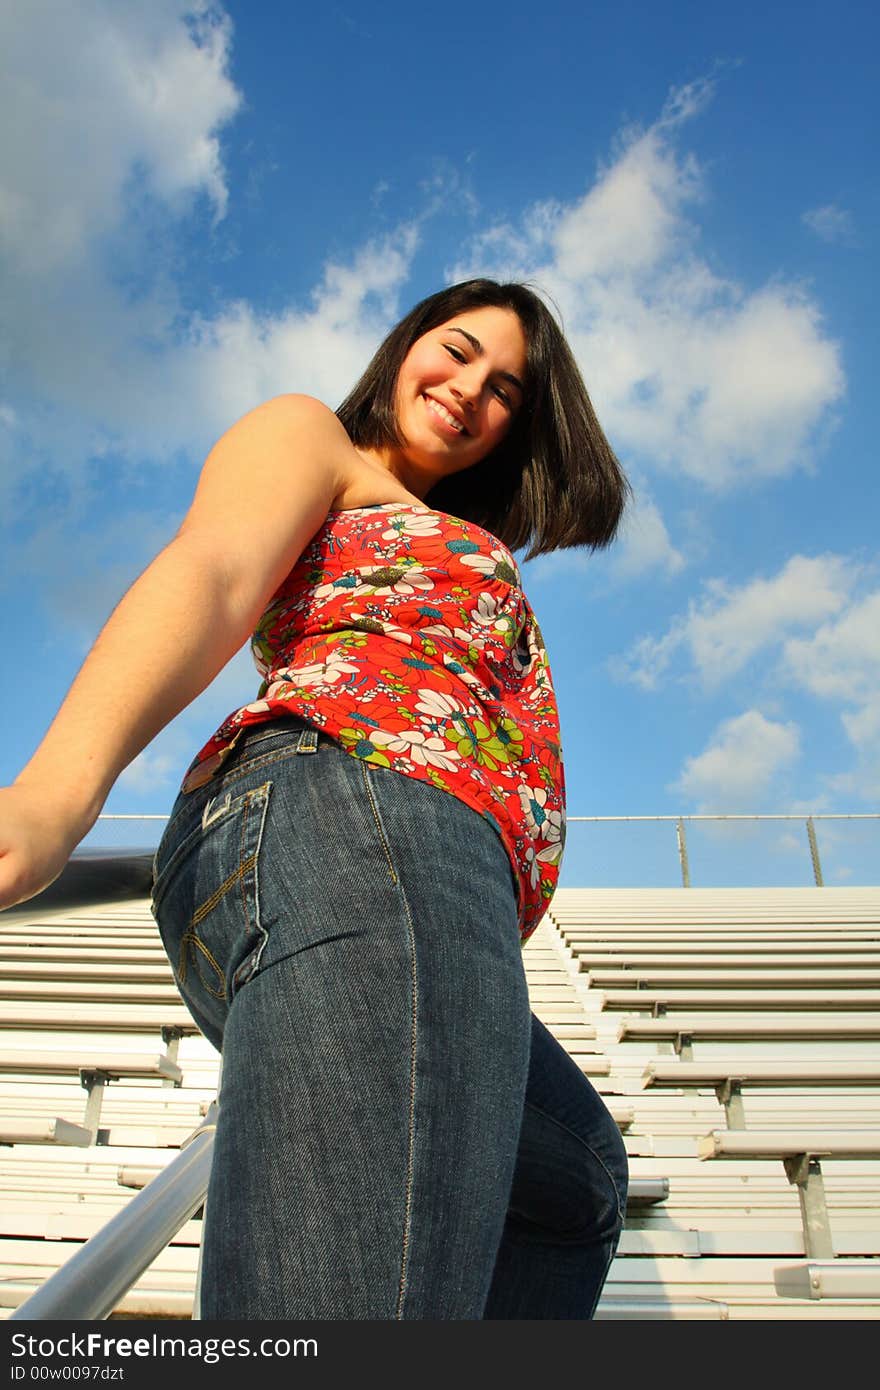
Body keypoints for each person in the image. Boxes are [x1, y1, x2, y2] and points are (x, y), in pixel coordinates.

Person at [0, 278, 631, 1320]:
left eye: (508, 388)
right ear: (401, 349)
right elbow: (213, 566)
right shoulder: (314, 440)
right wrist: (57, 791)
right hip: (363, 816)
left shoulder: (445, 523)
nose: (471, 388)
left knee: (574, 1181)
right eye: (457, 350)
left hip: (417, 870)